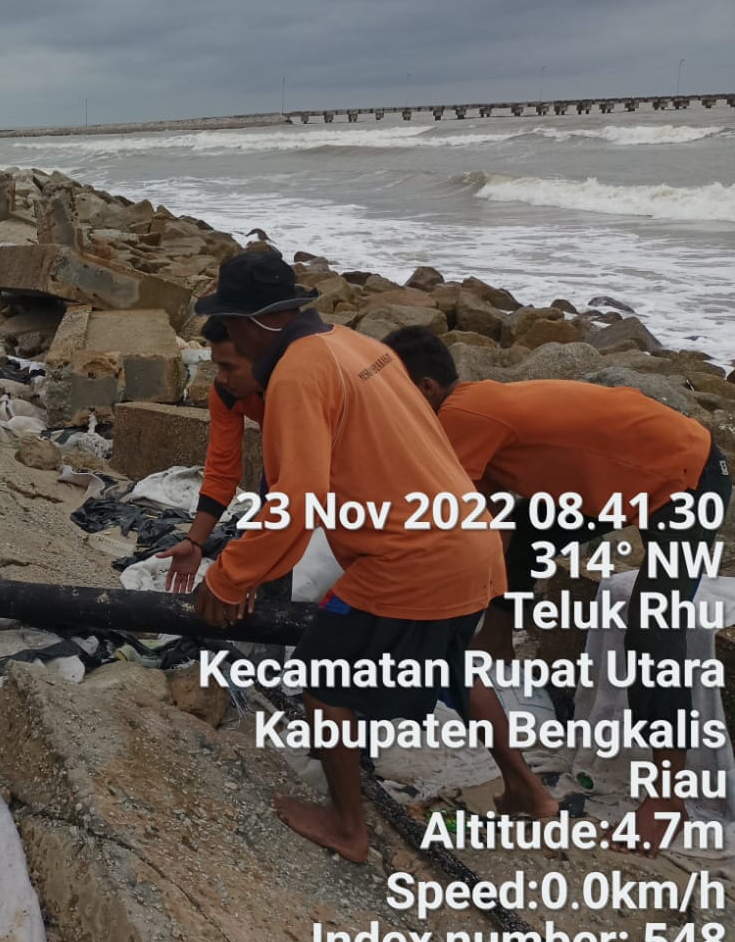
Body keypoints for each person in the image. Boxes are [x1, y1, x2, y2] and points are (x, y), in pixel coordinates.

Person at [192, 249, 554, 863]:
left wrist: (228, 580)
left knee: (323, 682)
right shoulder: (358, 346)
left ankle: (348, 827)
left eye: (229, 329)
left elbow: (296, 500)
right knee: (450, 663)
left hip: (413, 558)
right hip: (471, 540)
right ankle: (528, 789)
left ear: (248, 322)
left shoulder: (300, 372)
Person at [382, 325, 732, 855]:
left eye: (390, 395)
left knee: (652, 628)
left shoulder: (458, 419)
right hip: (612, 479)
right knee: (523, 542)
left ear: (426, 389)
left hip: (687, 478)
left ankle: (668, 796)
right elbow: (480, 516)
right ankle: (495, 646)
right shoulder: (473, 410)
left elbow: (436, 519)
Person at [162, 314, 265, 592]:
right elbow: (222, 470)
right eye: (217, 365)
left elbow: (303, 492)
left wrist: (237, 575)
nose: (220, 378)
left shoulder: (297, 391)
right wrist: (194, 542)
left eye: (229, 367)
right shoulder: (226, 392)